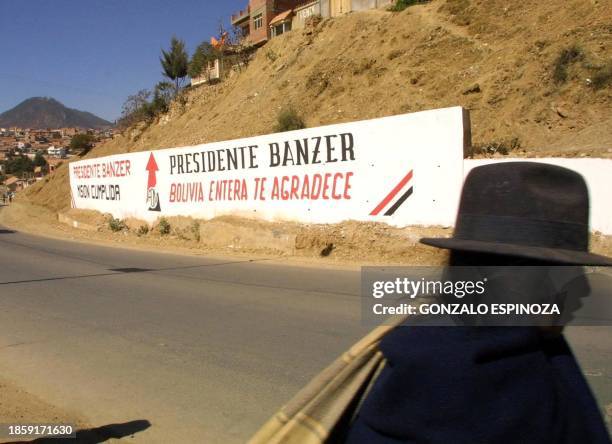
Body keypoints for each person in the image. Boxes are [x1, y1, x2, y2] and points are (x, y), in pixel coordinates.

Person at [346, 162, 612, 444]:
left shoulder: (526, 348)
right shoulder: (468, 385)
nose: (582, 289)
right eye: (562, 272)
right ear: (507, 279)